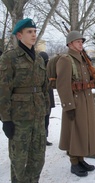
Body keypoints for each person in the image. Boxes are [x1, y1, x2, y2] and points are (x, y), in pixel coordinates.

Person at [0, 18, 50, 183]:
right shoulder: (10, 57)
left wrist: (46, 113)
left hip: (38, 116)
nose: (34, 35)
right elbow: (3, 90)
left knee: (38, 158)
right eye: (29, 32)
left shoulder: (40, 59)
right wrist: (6, 119)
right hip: (20, 119)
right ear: (19, 35)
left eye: (35, 32)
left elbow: (44, 88)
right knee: (19, 160)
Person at [56, 31, 95, 177]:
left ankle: (81, 159)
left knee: (83, 131)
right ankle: (74, 162)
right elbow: (62, 85)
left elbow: (87, 79)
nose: (81, 44)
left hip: (86, 100)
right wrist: (68, 105)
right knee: (74, 132)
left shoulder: (83, 59)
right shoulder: (66, 60)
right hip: (75, 101)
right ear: (70, 44)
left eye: (82, 42)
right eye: (78, 42)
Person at [39, 51, 55, 146]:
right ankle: (41, 139)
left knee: (46, 119)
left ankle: (44, 138)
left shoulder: (48, 70)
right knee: (42, 120)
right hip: (41, 100)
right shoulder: (37, 70)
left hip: (48, 99)